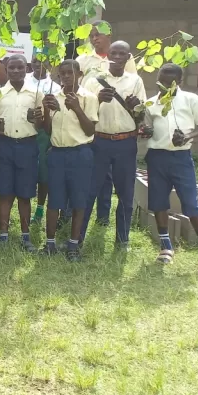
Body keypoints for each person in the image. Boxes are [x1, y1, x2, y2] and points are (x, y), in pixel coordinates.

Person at [144, 63, 198, 273]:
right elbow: (147, 129)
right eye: (161, 81)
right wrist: (144, 130)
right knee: (159, 203)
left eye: (170, 83)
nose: (164, 86)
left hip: (181, 158)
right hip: (157, 158)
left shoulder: (191, 100)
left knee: (190, 203)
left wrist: (186, 136)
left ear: (180, 82)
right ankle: (166, 247)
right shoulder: (151, 103)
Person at [81, 41, 146, 248]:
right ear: (107, 55)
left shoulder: (136, 81)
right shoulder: (93, 82)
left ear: (128, 58)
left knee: (125, 192)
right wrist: (98, 100)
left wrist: (136, 107)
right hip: (99, 142)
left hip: (126, 143)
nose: (117, 57)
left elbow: (142, 113)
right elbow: (83, 113)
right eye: (113, 53)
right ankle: (78, 237)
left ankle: (122, 239)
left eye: (122, 54)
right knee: (90, 191)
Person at [40, 61, 99, 261]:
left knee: (78, 200)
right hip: (57, 153)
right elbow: (48, 130)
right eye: (62, 74)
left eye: (69, 73)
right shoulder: (53, 97)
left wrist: (76, 108)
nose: (65, 77)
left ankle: (73, 245)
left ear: (79, 74)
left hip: (80, 153)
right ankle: (49, 243)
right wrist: (47, 110)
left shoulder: (88, 98)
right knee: (54, 199)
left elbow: (90, 130)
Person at [0, 53, 42, 251]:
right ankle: (3, 236)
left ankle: (26, 237)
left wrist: (37, 118)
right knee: (5, 193)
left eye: (20, 67)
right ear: (5, 69)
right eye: (11, 67)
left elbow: (43, 124)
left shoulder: (36, 93)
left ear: (27, 69)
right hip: (4, 145)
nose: (15, 71)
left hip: (28, 146)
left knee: (25, 193)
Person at [25, 58, 62, 228]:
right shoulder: (24, 80)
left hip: (44, 133)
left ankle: (39, 208)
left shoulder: (55, 87)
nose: (38, 65)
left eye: (42, 62)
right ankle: (19, 209)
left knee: (43, 173)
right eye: (34, 61)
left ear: (49, 64)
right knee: (23, 171)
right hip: (24, 130)